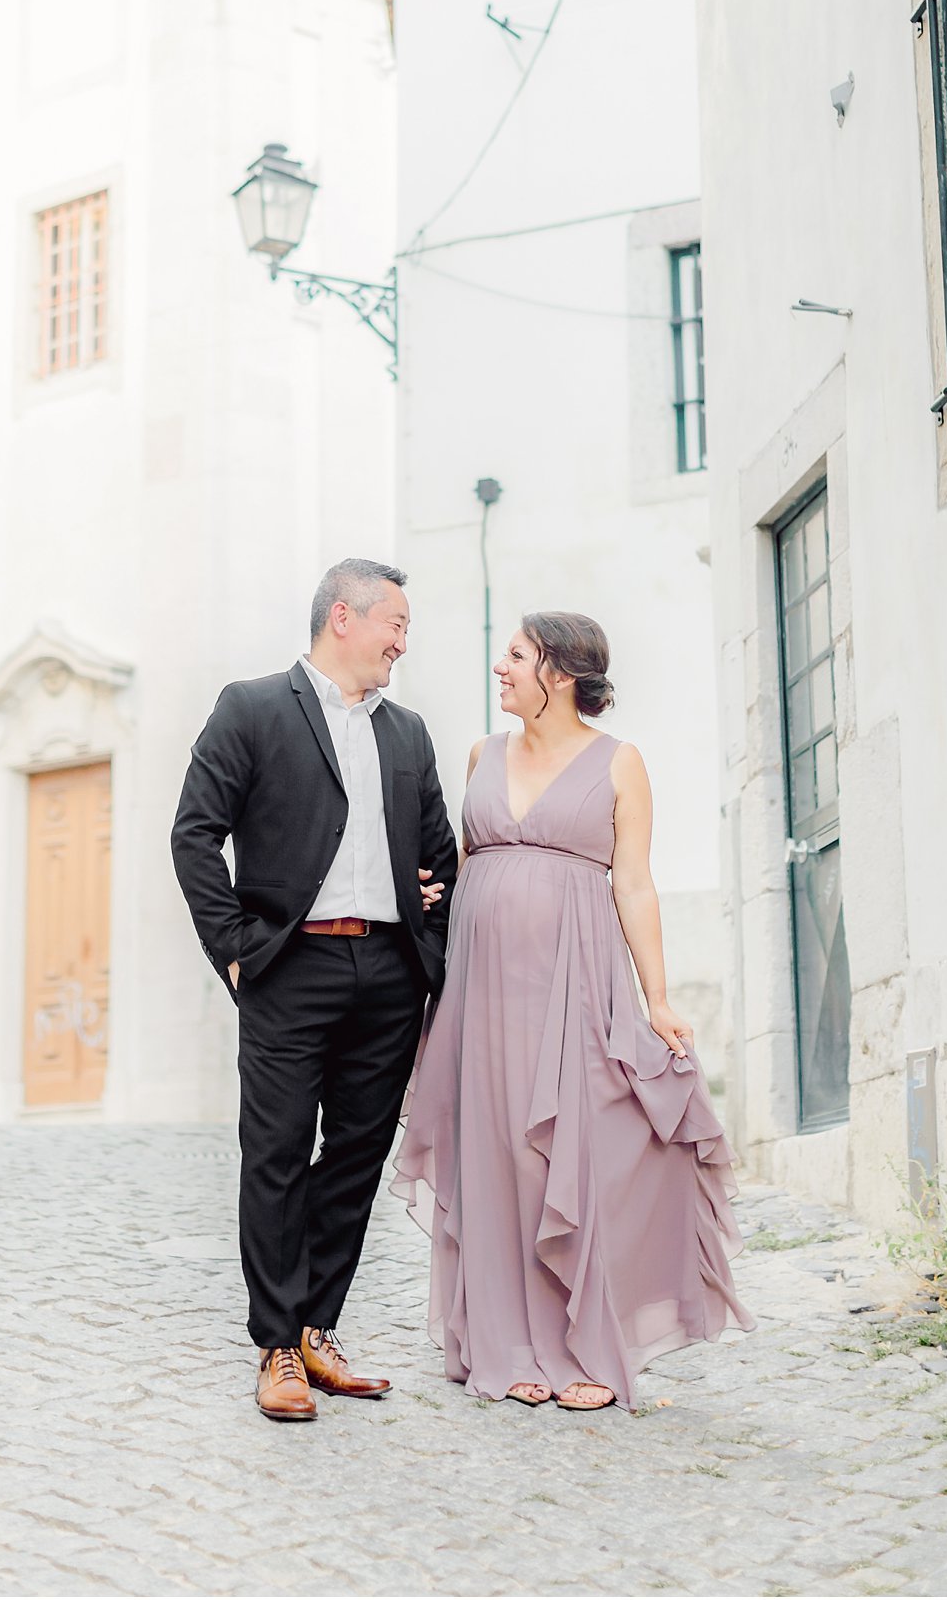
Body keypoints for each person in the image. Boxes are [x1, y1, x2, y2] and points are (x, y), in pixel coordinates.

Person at [393, 610, 753, 1411]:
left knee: (571, 1150)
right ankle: (506, 1342)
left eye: (516, 655)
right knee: (491, 1152)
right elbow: (462, 869)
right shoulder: (482, 754)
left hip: (574, 980)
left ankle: (586, 1341)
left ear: (557, 672)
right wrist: (433, 892)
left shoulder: (620, 763)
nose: (502, 667)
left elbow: (633, 882)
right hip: (480, 988)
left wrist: (656, 998)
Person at [170, 559, 459, 1422]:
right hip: (288, 969)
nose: (403, 642)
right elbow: (194, 835)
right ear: (344, 616)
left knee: (358, 1156)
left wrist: (425, 933)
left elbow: (441, 855)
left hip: (387, 976)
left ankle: (316, 1328)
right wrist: (235, 951)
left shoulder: (407, 732)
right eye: (395, 624)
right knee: (278, 1152)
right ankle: (274, 1346)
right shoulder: (251, 707)